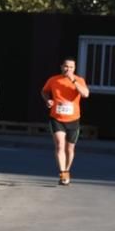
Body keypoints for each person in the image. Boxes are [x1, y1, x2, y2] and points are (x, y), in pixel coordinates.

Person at [41, 58, 90, 186]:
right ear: (61, 66)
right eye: (66, 66)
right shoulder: (53, 79)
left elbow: (85, 94)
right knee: (59, 145)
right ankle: (63, 173)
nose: (68, 69)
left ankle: (67, 170)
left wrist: (73, 80)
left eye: (71, 67)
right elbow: (44, 91)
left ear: (74, 68)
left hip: (73, 119)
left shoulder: (79, 80)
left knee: (70, 148)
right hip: (56, 117)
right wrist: (48, 100)